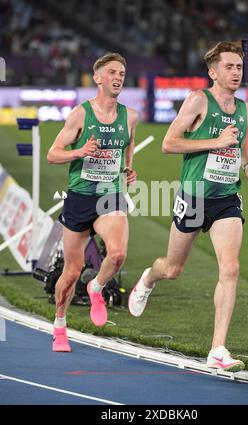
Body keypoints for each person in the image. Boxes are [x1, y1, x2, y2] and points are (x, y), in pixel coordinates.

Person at [128, 41, 248, 372]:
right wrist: (214, 142)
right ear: (212, 71)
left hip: (227, 198)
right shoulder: (198, 100)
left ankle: (218, 348)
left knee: (230, 268)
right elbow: (168, 144)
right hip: (193, 197)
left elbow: (239, 144)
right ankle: (148, 278)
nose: (236, 72)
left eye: (239, 67)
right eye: (229, 67)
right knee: (173, 269)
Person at [47, 52, 138, 352]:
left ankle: (96, 286)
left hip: (109, 196)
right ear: (98, 77)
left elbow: (127, 147)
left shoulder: (130, 117)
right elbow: (53, 153)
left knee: (118, 254)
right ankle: (60, 325)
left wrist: (128, 168)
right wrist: (79, 152)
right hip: (80, 197)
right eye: (112, 72)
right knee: (71, 271)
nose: (118, 77)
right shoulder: (81, 114)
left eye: (122, 73)